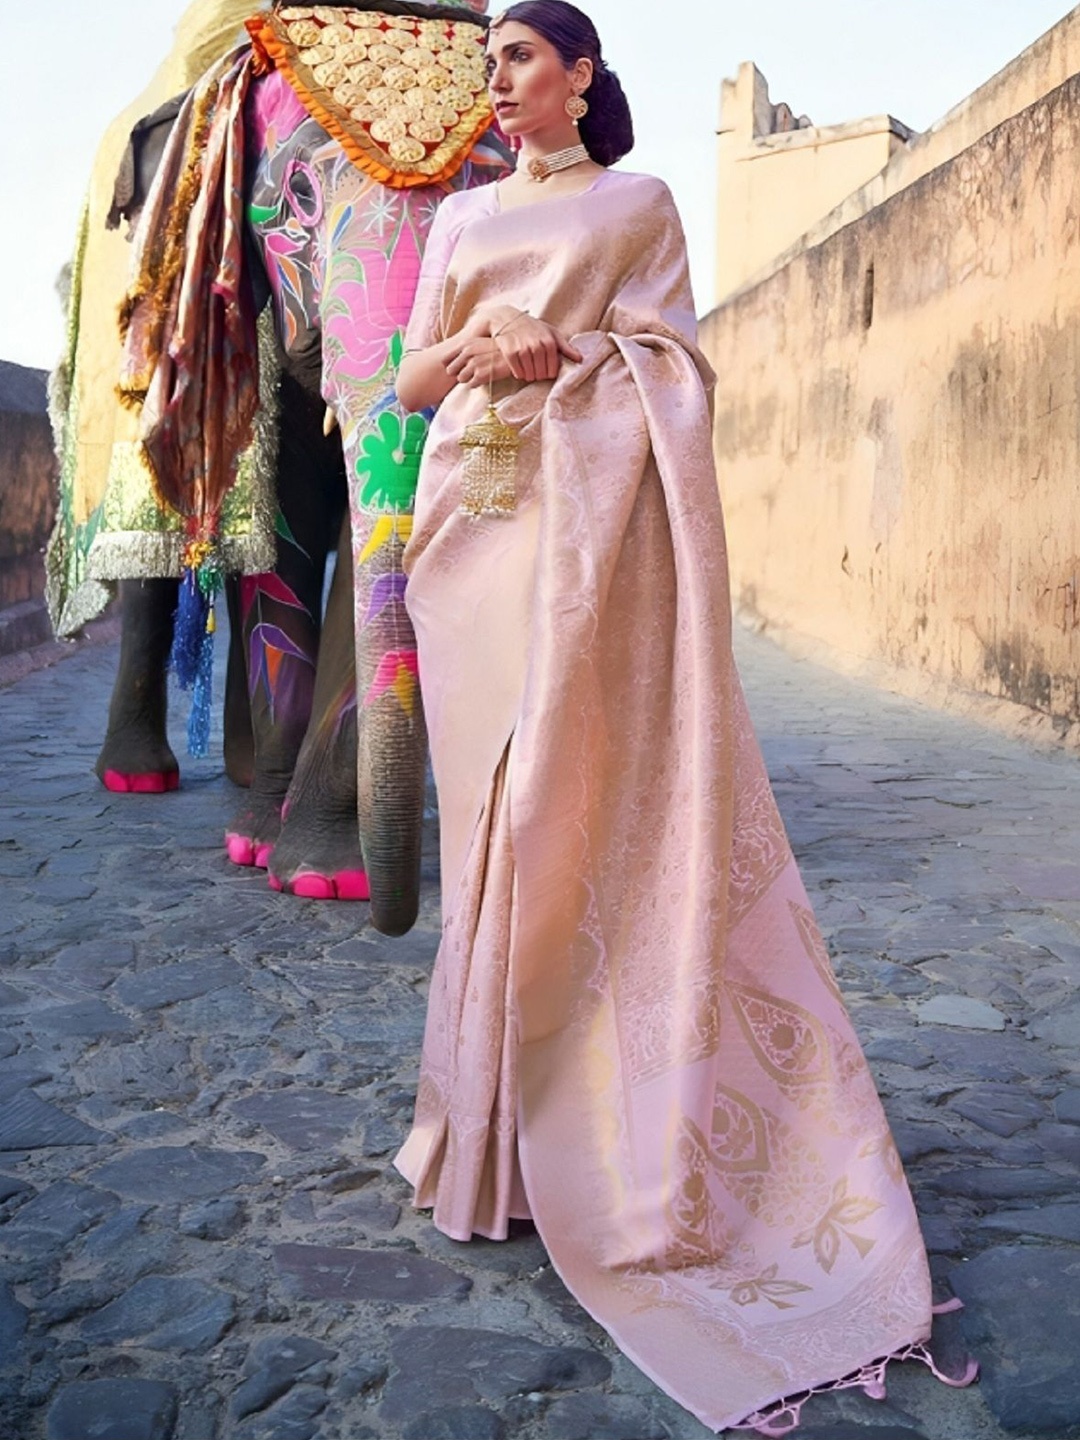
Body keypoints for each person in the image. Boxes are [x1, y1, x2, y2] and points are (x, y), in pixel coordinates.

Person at [392, 3, 976, 1431]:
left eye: (522, 57)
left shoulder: (639, 205)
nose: (503, 84)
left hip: (593, 545)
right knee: (488, 832)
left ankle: (599, 1146)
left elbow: (680, 373)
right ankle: (487, 1149)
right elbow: (405, 383)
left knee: (564, 814)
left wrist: (574, 351)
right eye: (491, 66)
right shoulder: (462, 224)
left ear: (582, 71)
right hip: (481, 536)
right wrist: (486, 349)